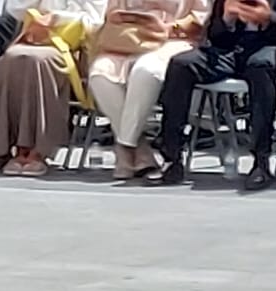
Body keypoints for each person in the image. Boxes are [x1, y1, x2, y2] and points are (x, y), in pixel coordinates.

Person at [147, 0, 276, 189]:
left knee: (259, 66)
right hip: (231, 52)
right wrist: (227, 19)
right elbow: (215, 37)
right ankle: (172, 159)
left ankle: (261, 162)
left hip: (272, 50)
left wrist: (268, 18)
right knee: (181, 65)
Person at [85, 0, 208, 179]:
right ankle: (140, 147)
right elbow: (111, 14)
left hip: (173, 39)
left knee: (145, 71)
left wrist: (168, 27)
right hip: (130, 39)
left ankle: (125, 147)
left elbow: (199, 18)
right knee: (99, 75)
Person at [0, 0, 108, 176]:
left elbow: (95, 21)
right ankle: (13, 147)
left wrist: (57, 18)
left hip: (74, 48)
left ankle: (38, 150)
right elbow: (14, 10)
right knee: (11, 59)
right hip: (34, 40)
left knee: (39, 62)